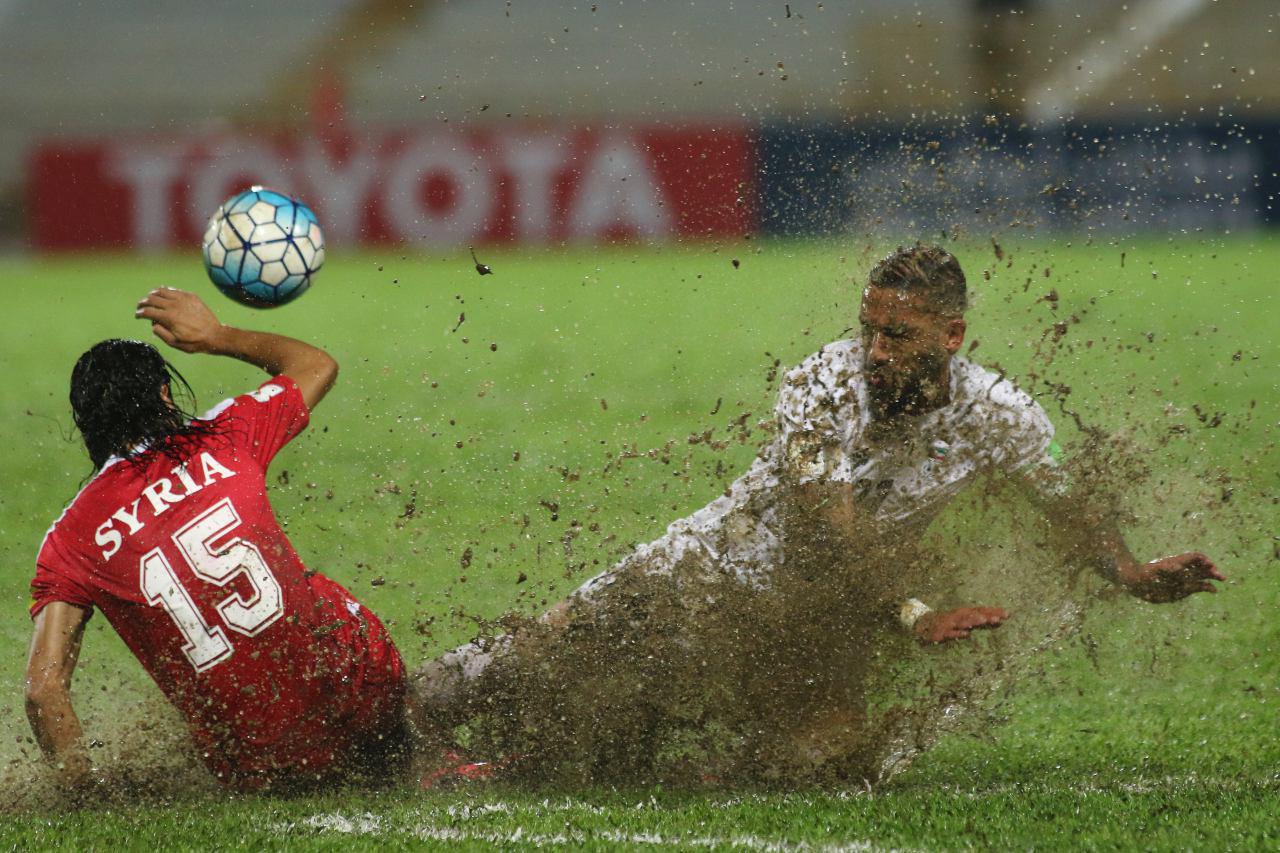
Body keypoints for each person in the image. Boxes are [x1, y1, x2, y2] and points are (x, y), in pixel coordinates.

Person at [415, 243, 1225, 780]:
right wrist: (911, 612)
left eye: (898, 334)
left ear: (952, 333)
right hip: (710, 572)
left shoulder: (1000, 413)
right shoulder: (818, 385)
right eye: (868, 327)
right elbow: (828, 523)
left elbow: (1065, 501)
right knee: (516, 664)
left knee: (819, 766)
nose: (875, 350)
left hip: (819, 619)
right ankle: (379, 714)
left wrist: (1128, 570)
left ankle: (555, 764)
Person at [24, 288, 408, 794]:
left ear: (86, 425)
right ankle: (417, 741)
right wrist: (216, 337)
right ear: (164, 395)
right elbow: (317, 364)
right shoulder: (227, 433)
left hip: (262, 769)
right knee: (323, 596)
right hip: (358, 697)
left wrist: (84, 796)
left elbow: (42, 690)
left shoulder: (70, 540)